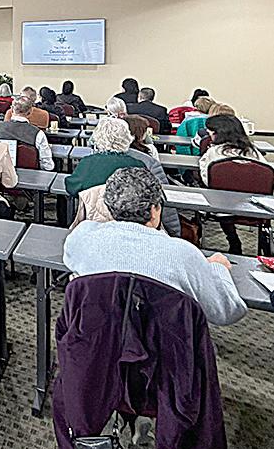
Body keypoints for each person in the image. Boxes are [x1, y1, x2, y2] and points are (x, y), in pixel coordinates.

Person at [63, 166, 247, 326]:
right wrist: (218, 268)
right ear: (154, 210)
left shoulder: (81, 236)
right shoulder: (183, 254)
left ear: (109, 206)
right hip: (163, 349)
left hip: (97, 341)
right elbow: (227, 312)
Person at [199, 115, 270, 254]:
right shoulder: (253, 152)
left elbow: (207, 180)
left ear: (218, 134)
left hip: (222, 206)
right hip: (255, 207)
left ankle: (232, 239)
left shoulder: (214, 152)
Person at [122, 114, 181, 237]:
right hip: (146, 218)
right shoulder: (149, 157)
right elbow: (162, 193)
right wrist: (175, 232)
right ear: (140, 133)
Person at [65, 117, 144, 197]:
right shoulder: (138, 165)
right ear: (126, 138)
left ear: (98, 137)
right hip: (125, 204)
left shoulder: (87, 163)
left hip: (94, 204)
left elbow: (72, 188)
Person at [0, 96, 54, 170]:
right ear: (30, 112)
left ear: (12, 110)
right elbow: (47, 165)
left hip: (0, 172)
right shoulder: (38, 134)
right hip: (31, 174)